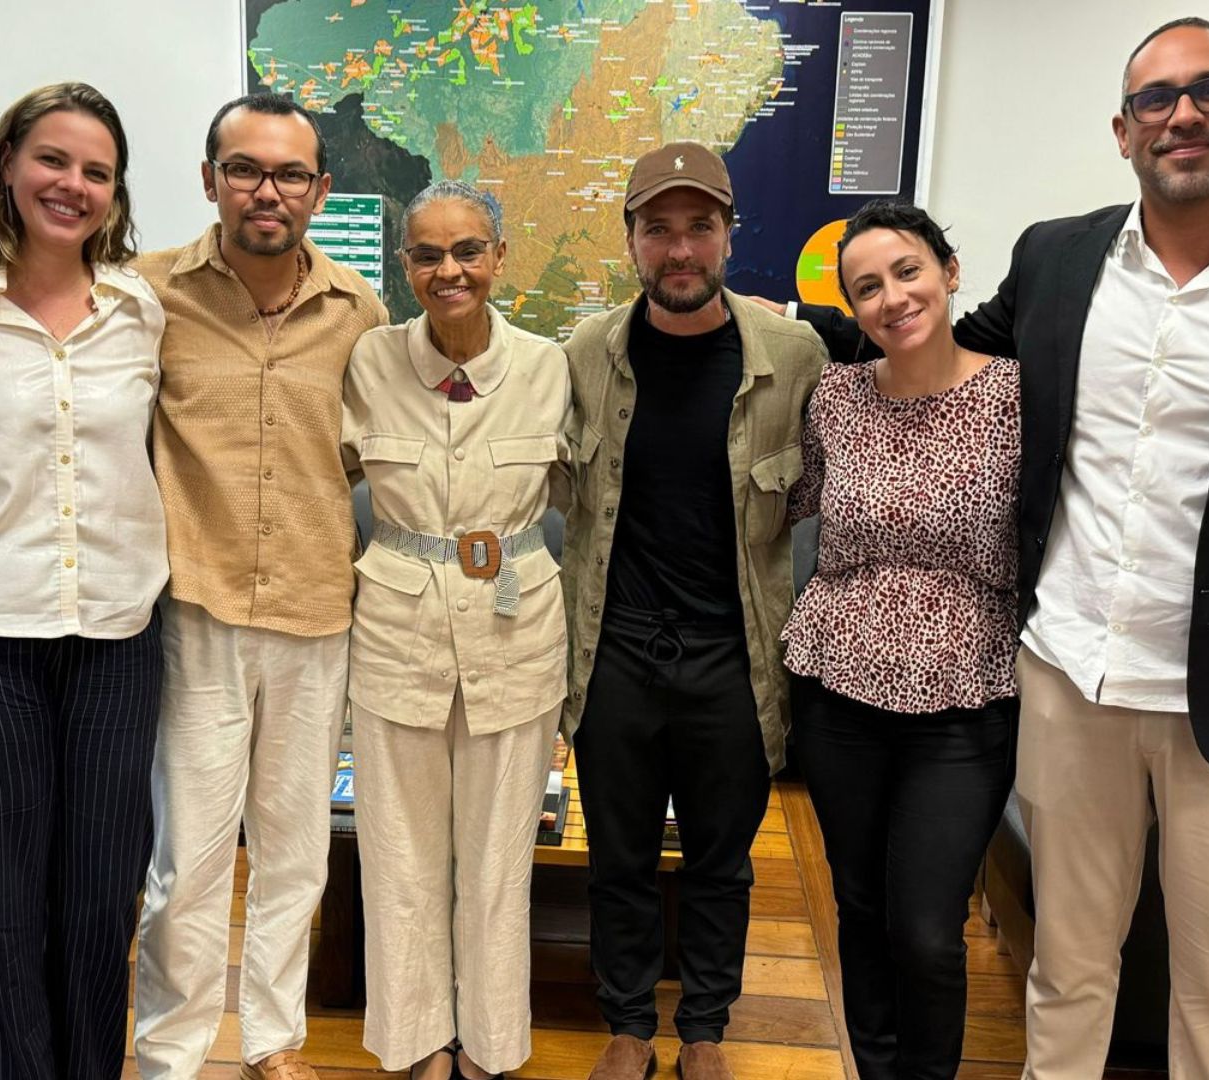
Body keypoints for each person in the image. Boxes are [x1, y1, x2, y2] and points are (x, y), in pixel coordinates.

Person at [793, 18, 1209, 1078]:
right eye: (1155, 100)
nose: (1183, 115)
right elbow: (939, 350)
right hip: (1069, 678)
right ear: (1124, 131)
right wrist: (783, 328)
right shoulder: (1059, 257)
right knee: (1070, 963)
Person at [0, 82, 168, 1080]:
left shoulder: (141, 308)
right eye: (53, 159)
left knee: (98, 899)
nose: (72, 184)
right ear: (7, 162)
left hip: (117, 636)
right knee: (1, 907)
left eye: (97, 171)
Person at [131, 92, 388, 1080]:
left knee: (295, 850)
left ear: (320, 189)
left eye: (288, 174)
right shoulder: (147, 295)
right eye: (244, 169)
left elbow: (364, 453)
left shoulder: (358, 311)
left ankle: (273, 1040)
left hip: (316, 609)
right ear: (211, 180)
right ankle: (172, 1053)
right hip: (195, 609)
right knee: (189, 858)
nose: (265, 191)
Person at [561, 141, 828, 1080]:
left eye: (700, 227)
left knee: (722, 861)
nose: (680, 250)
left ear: (729, 234)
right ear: (630, 238)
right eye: (658, 229)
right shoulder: (586, 354)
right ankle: (630, 1027)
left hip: (734, 656)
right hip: (617, 651)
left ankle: (705, 1030)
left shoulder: (792, 356)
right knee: (619, 858)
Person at [783, 200, 1019, 1080]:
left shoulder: (1017, 397)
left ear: (950, 273)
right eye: (867, 288)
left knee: (926, 929)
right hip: (836, 692)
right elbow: (785, 504)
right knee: (860, 907)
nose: (892, 298)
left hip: (965, 702)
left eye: (908, 271)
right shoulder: (837, 398)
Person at [341, 180, 571, 1080]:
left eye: (468, 250)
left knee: (498, 860)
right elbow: (320, 476)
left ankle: (490, 1045)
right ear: (405, 266)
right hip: (396, 629)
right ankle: (417, 1042)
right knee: (398, 856)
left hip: (516, 628)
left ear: (499, 257)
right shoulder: (367, 362)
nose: (450, 271)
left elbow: (590, 494)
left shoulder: (550, 368)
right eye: (428, 254)